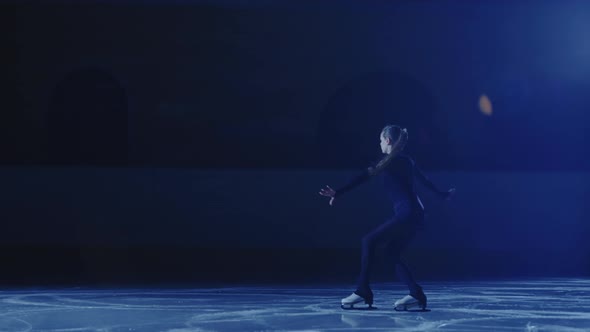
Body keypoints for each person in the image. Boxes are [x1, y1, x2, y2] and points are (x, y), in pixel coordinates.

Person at [319, 125, 455, 310]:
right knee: (391, 253)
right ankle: (416, 294)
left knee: (368, 241)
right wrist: (441, 194)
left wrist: (339, 192)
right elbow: (425, 181)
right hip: (416, 214)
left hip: (407, 213)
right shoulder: (407, 161)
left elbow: (363, 177)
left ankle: (362, 291)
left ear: (388, 141)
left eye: (381, 139)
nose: (380, 143)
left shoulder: (388, 161)